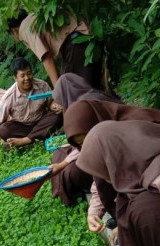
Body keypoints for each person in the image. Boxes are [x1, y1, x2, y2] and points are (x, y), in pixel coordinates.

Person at [49, 98, 160, 207]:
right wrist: (94, 210)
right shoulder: (101, 139)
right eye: (81, 144)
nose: (87, 147)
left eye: (88, 139)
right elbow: (98, 176)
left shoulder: (139, 129)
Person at [48, 74, 122, 205]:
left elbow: (90, 143)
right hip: (96, 144)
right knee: (59, 153)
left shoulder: (86, 105)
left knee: (72, 172)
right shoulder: (81, 98)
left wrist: (63, 164)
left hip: (111, 149)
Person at [7, 9, 101, 88]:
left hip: (76, 44)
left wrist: (57, 90)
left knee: (71, 91)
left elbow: (47, 58)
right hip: (87, 38)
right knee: (92, 89)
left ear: (13, 30)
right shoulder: (34, 16)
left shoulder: (24, 29)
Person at [0, 57, 61, 150]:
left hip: (41, 122)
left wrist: (53, 105)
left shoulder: (42, 85)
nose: (27, 78)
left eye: (29, 74)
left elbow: (50, 103)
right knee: (4, 129)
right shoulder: (9, 96)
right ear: (15, 78)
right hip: (22, 128)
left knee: (57, 114)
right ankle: (39, 136)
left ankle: (26, 140)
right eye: (22, 76)